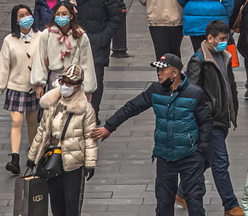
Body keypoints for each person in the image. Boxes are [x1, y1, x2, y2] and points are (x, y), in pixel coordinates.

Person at [92, 53, 214, 216]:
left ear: (175, 73)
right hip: (165, 156)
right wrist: (109, 126)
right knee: (163, 203)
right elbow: (132, 107)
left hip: (190, 157)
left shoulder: (195, 93)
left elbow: (206, 123)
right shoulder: (156, 90)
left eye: (163, 70)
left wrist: (200, 151)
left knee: (195, 201)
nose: (159, 73)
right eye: (158, 70)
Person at [185, 21, 244, 216]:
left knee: (206, 160)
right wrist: (206, 113)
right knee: (220, 162)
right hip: (210, 121)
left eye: (226, 39)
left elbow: (230, 84)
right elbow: (192, 92)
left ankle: (181, 192)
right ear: (209, 38)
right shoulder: (199, 59)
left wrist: (233, 107)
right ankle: (231, 205)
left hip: (223, 117)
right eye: (221, 39)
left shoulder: (225, 56)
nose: (224, 42)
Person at [25, 63, 98, 216]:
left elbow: (90, 138)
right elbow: (42, 131)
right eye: (62, 81)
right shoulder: (52, 103)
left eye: (70, 82)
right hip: (52, 161)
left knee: (72, 206)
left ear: (78, 86)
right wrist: (32, 156)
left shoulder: (85, 109)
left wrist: (90, 163)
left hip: (74, 164)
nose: (65, 85)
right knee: (56, 205)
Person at [67, 0, 123, 112]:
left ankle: (93, 113)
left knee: (95, 81)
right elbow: (66, 11)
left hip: (97, 45)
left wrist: (102, 39)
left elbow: (115, 19)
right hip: (77, 44)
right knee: (74, 79)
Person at [0, 4, 41, 175]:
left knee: (33, 122)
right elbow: (3, 65)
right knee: (16, 122)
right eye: (21, 15)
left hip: (35, 88)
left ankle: (33, 155)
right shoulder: (9, 40)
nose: (25, 17)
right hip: (16, 87)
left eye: (27, 14)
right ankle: (14, 157)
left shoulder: (41, 37)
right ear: (16, 20)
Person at [31, 0, 97, 97]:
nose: (60, 17)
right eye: (57, 14)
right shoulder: (47, 34)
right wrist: (39, 84)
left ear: (71, 16)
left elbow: (86, 62)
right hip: (54, 78)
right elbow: (40, 59)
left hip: (74, 81)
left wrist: (88, 89)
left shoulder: (80, 36)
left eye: (64, 14)